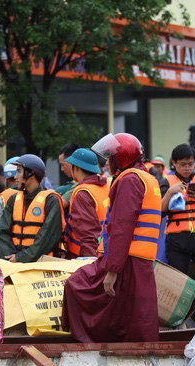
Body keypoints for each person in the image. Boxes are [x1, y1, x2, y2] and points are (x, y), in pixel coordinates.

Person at [62, 133, 161, 343]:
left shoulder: (129, 180)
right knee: (134, 315)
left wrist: (112, 269)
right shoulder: (147, 178)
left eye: (110, 158)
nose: (107, 163)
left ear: (121, 158)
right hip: (138, 261)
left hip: (125, 261)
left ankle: (90, 344)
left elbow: (122, 227)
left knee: (76, 285)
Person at [160, 144, 195, 287]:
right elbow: (160, 211)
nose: (187, 168)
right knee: (177, 283)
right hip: (177, 240)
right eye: (183, 164)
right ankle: (183, 309)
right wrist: (170, 193)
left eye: (191, 164)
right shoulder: (166, 182)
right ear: (174, 163)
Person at [0, 154, 64, 262]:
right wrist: (11, 257)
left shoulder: (51, 200)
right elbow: (2, 231)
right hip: (13, 264)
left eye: (19, 171)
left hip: (41, 265)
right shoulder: (13, 199)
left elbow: (47, 237)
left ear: (31, 173)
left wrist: (21, 257)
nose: (15, 176)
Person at [64, 148, 109, 259]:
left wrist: (89, 263)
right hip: (104, 252)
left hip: (87, 256)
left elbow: (88, 233)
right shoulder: (106, 184)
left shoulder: (83, 193)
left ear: (77, 168)